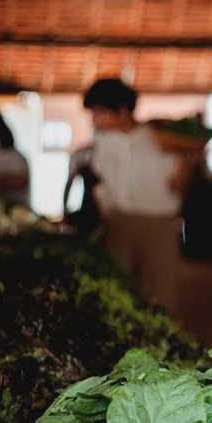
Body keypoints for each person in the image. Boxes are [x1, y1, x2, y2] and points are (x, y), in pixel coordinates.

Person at [83, 78, 195, 314]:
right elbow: (101, 182)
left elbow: (178, 186)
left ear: (122, 111)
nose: (94, 120)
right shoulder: (103, 141)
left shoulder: (162, 138)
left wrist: (188, 161)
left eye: (99, 113)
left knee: (160, 294)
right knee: (118, 294)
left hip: (159, 225)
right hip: (118, 222)